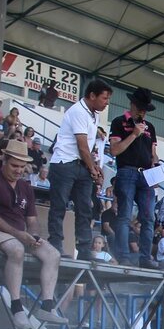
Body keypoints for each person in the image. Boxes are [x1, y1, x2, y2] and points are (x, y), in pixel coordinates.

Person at [0, 140, 68, 329]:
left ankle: (47, 305)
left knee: (53, 254)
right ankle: (16, 306)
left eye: (22, 166)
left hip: (19, 233)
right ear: (4, 160)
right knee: (16, 249)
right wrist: (20, 235)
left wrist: (34, 235)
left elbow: (32, 219)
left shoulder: (26, 187)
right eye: (14, 166)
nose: (19, 170)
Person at [47, 79, 111, 258]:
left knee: (85, 208)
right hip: (64, 164)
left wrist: (95, 166)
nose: (107, 103)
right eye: (104, 98)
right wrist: (93, 169)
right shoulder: (78, 111)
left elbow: (88, 147)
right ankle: (55, 244)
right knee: (59, 206)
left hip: (81, 165)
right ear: (92, 96)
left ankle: (83, 249)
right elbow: (82, 145)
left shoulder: (94, 114)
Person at [109, 87, 159, 268]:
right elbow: (114, 150)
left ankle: (145, 258)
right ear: (133, 105)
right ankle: (123, 255)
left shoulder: (150, 128)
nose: (143, 112)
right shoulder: (119, 122)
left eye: (145, 109)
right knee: (124, 215)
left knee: (149, 218)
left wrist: (158, 168)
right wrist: (134, 134)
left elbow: (153, 154)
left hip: (146, 175)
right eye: (140, 107)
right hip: (126, 171)